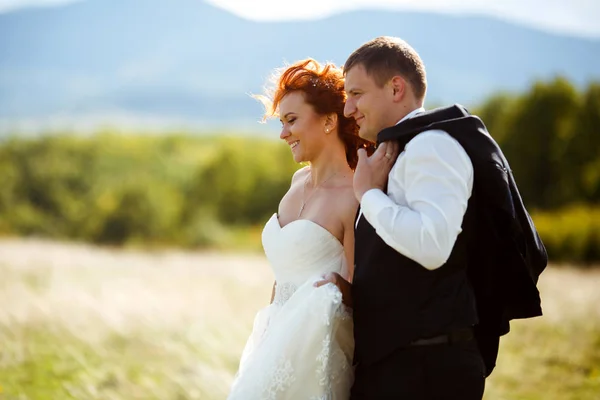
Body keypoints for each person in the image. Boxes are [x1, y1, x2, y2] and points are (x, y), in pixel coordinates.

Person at [315, 36, 547, 399]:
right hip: (398, 366)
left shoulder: (432, 146)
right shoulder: (398, 152)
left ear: (396, 88)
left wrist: (368, 195)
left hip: (427, 370)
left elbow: (432, 245)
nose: (348, 109)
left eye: (357, 94)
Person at [227, 58, 374, 399]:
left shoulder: (355, 195)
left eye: (291, 121)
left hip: (317, 355)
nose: (283, 133)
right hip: (273, 346)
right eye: (281, 123)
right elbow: (283, 279)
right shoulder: (297, 181)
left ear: (328, 121)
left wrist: (336, 287)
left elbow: (362, 295)